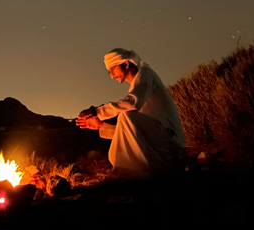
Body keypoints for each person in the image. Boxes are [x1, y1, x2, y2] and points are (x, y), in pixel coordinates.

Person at [76, 48, 185, 177]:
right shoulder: (136, 87)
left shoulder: (146, 74)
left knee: (126, 115)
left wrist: (98, 111)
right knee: (123, 127)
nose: (111, 75)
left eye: (112, 69)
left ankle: (140, 173)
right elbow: (131, 133)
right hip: (160, 142)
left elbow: (133, 103)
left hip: (171, 143)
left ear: (126, 64)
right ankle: (135, 172)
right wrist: (101, 125)